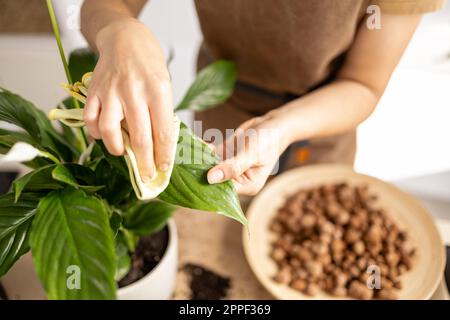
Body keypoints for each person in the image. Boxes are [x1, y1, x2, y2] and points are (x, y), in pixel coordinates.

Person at [80, 0, 446, 196]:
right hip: (223, 104)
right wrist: (119, 29)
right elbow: (104, 5)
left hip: (323, 118)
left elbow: (363, 84)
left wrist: (279, 127)